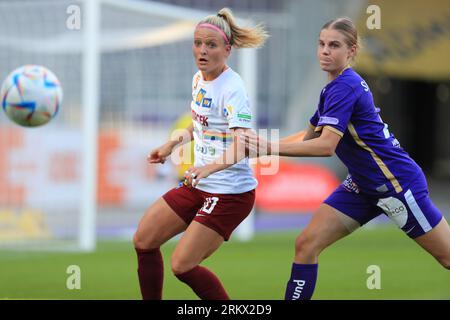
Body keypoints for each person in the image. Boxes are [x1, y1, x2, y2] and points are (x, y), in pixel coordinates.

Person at [240, 17, 450, 300]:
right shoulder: (331, 88)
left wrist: (268, 148)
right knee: (306, 244)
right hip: (363, 186)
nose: (325, 51)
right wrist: (262, 146)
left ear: (351, 51)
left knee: (447, 258)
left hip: (396, 185)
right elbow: (310, 136)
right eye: (321, 44)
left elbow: (325, 146)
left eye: (334, 45)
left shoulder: (345, 86)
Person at [133, 8, 268, 300]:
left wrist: (208, 168)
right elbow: (199, 125)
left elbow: (243, 144)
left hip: (230, 193)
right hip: (200, 185)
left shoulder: (233, 88)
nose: (202, 51)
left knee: (182, 265)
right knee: (144, 239)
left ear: (227, 50)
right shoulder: (199, 79)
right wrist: (171, 145)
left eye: (211, 45)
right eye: (198, 43)